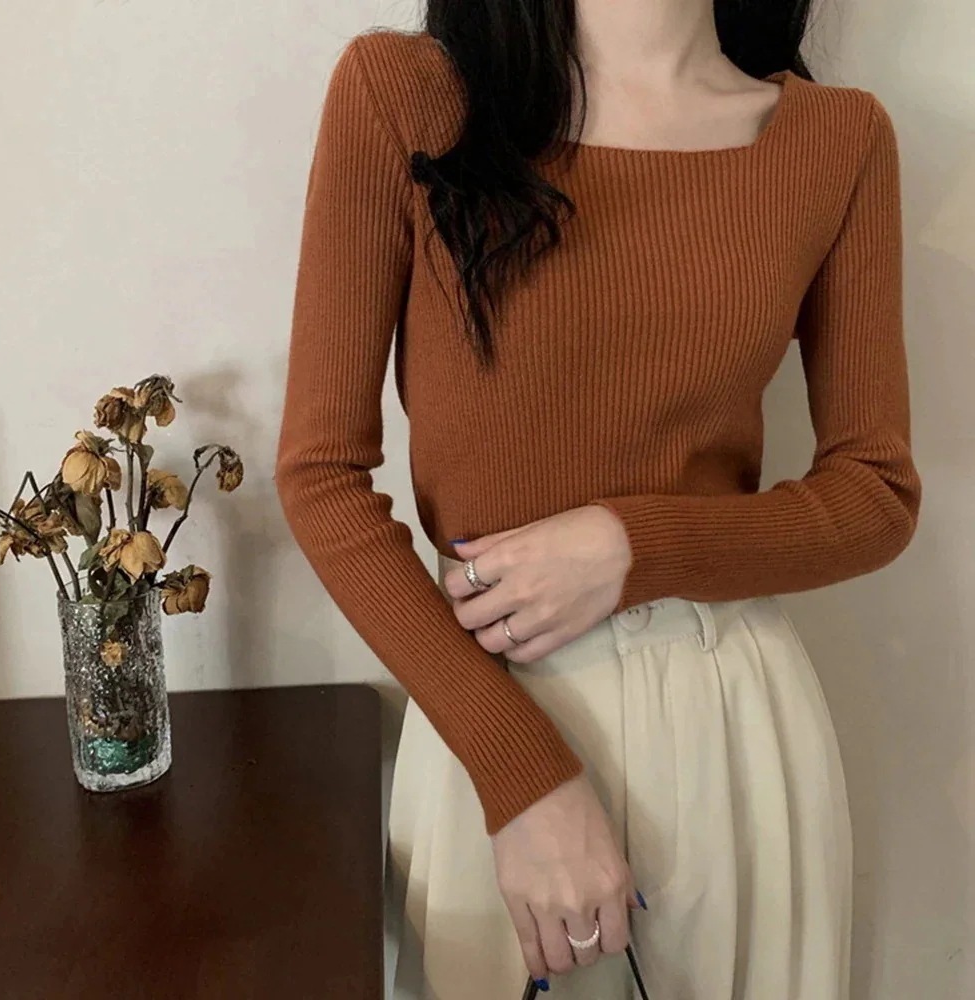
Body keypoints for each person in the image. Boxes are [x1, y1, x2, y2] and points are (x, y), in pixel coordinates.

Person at [275, 1, 922, 996]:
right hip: (490, 717)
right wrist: (521, 775)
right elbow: (321, 476)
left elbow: (875, 492)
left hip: (733, 723)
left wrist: (631, 545)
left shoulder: (838, 140)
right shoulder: (406, 97)